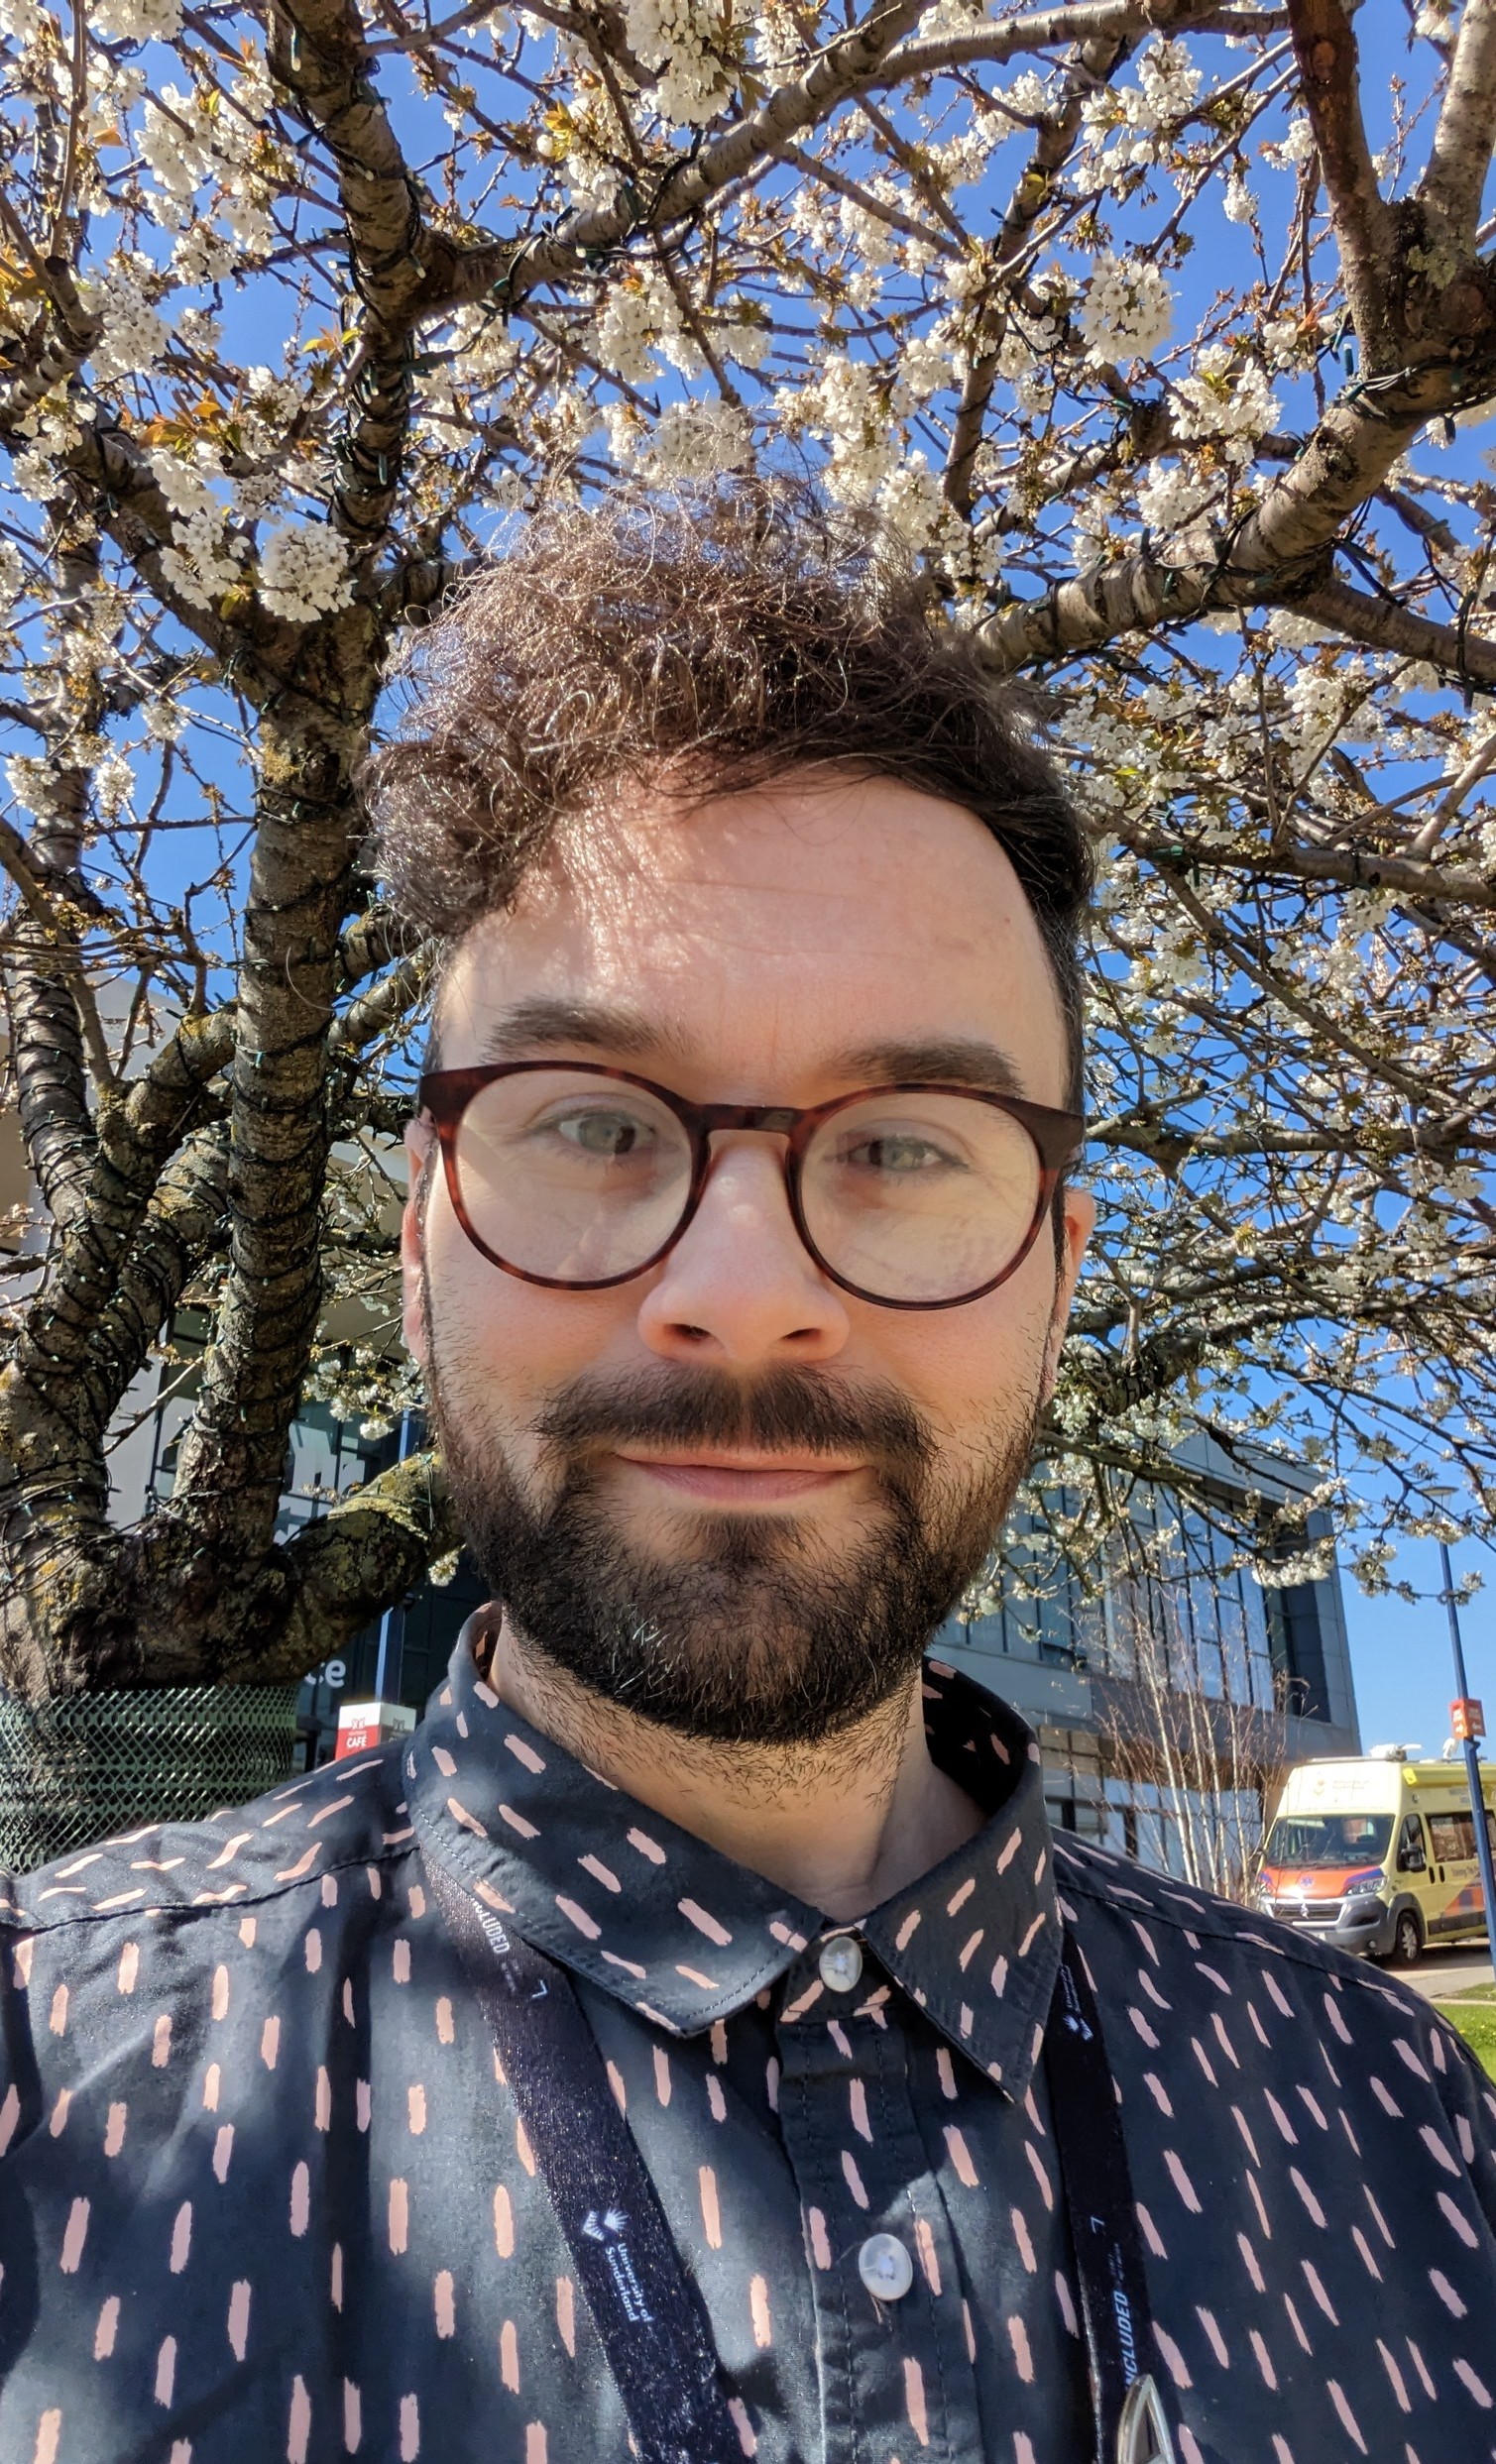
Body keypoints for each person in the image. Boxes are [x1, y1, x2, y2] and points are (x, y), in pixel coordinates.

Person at [1, 487, 1492, 2464]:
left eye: (902, 1143)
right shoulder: (51, 2086)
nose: (739, 1291)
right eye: (595, 1120)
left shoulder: (1397, 2123)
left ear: (1053, 1273)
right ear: (418, 1237)